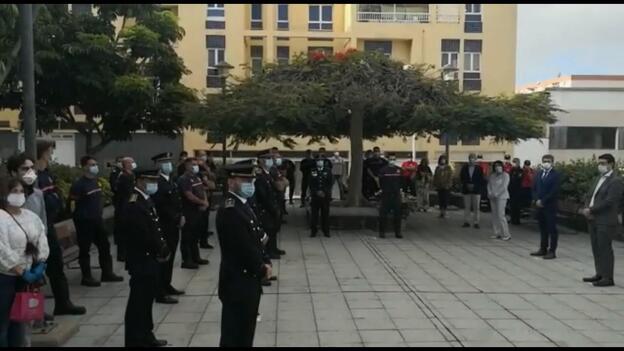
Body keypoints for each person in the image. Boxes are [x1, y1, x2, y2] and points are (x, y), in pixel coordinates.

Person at [216, 163, 272, 347]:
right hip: (238, 281)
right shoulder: (231, 210)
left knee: (245, 332)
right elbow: (243, 247)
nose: (250, 184)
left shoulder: (243, 205)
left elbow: (257, 237)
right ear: (231, 182)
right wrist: (261, 267)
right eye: (245, 180)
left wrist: (265, 260)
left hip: (247, 280)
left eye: (251, 180)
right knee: (235, 334)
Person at [35, 142, 86, 315]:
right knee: (38, 270)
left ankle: (63, 303)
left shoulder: (47, 174)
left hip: (50, 225)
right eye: (49, 151)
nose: (51, 155)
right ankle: (36, 311)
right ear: (42, 153)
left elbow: (55, 199)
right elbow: (44, 202)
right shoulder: (36, 177)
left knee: (56, 266)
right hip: (40, 228)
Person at [122, 168, 169, 347]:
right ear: (140, 180)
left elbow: (154, 226)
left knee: (146, 300)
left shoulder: (144, 199)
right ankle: (135, 338)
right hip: (141, 259)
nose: (154, 184)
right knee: (138, 301)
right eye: (151, 180)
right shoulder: (134, 202)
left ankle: (146, 334)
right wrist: (159, 248)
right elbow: (142, 233)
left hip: (149, 258)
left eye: (156, 180)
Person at [0, 177, 49, 347]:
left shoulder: (31, 216)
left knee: (19, 322)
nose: (19, 195)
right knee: (3, 323)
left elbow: (41, 238)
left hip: (26, 277)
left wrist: (41, 262)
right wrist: (20, 270)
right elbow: (2, 249)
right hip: (6, 277)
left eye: (21, 191)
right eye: (14, 191)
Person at [69, 156, 123, 286]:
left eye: (95, 164)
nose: (95, 167)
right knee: (85, 250)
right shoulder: (78, 185)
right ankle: (86, 277)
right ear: (84, 167)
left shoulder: (96, 181)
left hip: (97, 220)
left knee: (104, 246)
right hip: (84, 222)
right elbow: (71, 206)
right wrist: (80, 218)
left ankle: (107, 273)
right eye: (92, 164)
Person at [578, 154, 623, 287]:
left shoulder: (616, 181)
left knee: (605, 248)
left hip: (605, 219)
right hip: (593, 218)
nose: (600, 166)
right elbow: (590, 195)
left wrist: (591, 210)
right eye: (599, 163)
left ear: (611, 164)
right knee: (596, 247)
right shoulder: (598, 178)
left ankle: (608, 278)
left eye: (603, 163)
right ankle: (600, 273)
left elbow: (610, 201)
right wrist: (586, 208)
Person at [151, 153, 185, 304]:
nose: (168, 164)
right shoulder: (157, 183)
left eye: (169, 161)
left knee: (170, 257)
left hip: (174, 224)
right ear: (157, 164)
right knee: (163, 258)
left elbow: (177, 201)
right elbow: (161, 206)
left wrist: (181, 216)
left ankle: (167, 284)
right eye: (164, 162)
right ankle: (160, 291)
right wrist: (176, 217)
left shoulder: (170, 181)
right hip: (165, 225)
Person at [177, 157, 209, 269]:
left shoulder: (196, 177)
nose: (196, 166)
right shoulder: (183, 179)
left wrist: (205, 202)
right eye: (193, 164)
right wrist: (202, 202)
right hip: (188, 211)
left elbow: (203, 190)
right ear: (187, 166)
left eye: (196, 164)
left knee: (195, 236)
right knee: (187, 237)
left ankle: (196, 257)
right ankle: (187, 260)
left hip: (198, 211)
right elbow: (189, 195)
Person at [530, 154, 561, 260]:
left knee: (552, 229)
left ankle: (552, 251)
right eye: (544, 161)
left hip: (550, 205)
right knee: (542, 228)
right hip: (539, 205)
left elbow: (554, 191)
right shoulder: (538, 174)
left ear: (552, 162)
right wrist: (536, 199)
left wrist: (543, 200)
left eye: (548, 161)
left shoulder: (556, 175)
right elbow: (533, 188)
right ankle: (543, 248)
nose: (546, 163)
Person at [255, 154, 283, 258]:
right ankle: (268, 251)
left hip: (272, 205)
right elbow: (263, 195)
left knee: (273, 229)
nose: (271, 161)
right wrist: (272, 208)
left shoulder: (269, 173)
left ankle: (274, 248)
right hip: (265, 208)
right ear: (261, 161)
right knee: (268, 229)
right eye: (268, 159)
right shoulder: (260, 175)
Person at [113, 156, 137, 262]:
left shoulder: (131, 175)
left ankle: (128, 252)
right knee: (122, 231)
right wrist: (133, 202)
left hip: (129, 205)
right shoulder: (124, 176)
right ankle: (122, 254)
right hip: (123, 207)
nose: (133, 164)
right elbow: (129, 193)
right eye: (131, 162)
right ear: (126, 164)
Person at [378, 153, 403, 238]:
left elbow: (401, 181)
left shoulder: (398, 170)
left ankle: (398, 232)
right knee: (383, 214)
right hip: (386, 194)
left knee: (398, 214)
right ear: (388, 160)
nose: (392, 161)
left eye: (394, 159)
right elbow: (380, 181)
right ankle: (382, 232)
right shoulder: (383, 170)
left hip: (396, 194)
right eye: (390, 159)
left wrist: (401, 190)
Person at [309, 158, 333, 238]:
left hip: (325, 196)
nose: (319, 162)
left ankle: (326, 231)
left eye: (321, 161)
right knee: (314, 215)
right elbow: (311, 183)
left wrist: (324, 192)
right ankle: (313, 231)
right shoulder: (313, 170)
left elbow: (330, 183)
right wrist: (316, 192)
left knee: (325, 214)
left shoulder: (328, 170)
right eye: (318, 161)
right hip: (315, 196)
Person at [488, 161, 511, 241]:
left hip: (502, 197)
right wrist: (490, 193)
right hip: (492, 197)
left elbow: (504, 186)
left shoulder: (505, 175)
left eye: (499, 166)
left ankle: (506, 234)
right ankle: (496, 232)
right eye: (496, 166)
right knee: (494, 215)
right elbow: (489, 185)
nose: (497, 167)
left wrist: (497, 194)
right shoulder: (492, 175)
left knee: (501, 215)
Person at [460, 153, 485, 229]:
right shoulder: (464, 168)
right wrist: (467, 184)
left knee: (476, 207)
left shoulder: (479, 168)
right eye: (470, 158)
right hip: (466, 190)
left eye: (473, 158)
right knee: (467, 206)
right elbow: (461, 177)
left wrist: (474, 185)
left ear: (475, 159)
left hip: (476, 190)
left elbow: (481, 179)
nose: (471, 159)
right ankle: (466, 221)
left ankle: (476, 222)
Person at [196, 150, 215, 250]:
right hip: (199, 198)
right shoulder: (196, 168)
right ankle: (200, 240)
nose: (203, 157)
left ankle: (204, 241)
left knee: (205, 220)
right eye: (201, 155)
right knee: (199, 221)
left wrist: (207, 169)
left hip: (208, 196)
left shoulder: (207, 166)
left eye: (204, 155)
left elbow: (212, 182)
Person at [508, 158, 524, 225]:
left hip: (518, 190)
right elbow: (509, 179)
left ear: (518, 162)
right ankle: (512, 219)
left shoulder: (520, 170)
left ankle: (517, 220)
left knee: (517, 206)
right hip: (511, 190)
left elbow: (519, 179)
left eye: (515, 162)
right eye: (513, 162)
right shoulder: (512, 170)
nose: (514, 163)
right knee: (512, 206)